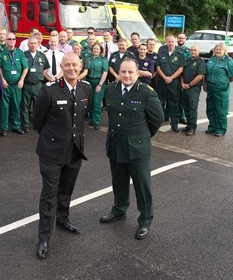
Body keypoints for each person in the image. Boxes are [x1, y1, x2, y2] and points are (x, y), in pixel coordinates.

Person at [33, 52, 92, 259]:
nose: (71, 68)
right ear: (61, 67)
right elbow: (37, 121)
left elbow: (80, 118)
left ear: (80, 66)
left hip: (75, 151)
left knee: (66, 189)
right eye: (67, 65)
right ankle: (44, 238)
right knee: (49, 195)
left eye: (74, 65)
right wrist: (53, 138)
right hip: (51, 153)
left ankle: (63, 219)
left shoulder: (86, 88)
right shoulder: (49, 91)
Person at [100, 58, 163, 240]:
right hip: (115, 145)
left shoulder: (146, 93)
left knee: (142, 187)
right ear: (118, 73)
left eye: (130, 72)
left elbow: (157, 119)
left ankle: (145, 220)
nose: (126, 75)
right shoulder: (111, 90)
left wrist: (142, 136)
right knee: (118, 181)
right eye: (123, 72)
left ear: (138, 73)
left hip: (137, 149)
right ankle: (119, 209)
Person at [0, 32, 29, 137]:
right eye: (9, 39)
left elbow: (26, 67)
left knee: (16, 106)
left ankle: (16, 126)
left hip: (16, 85)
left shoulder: (20, 53)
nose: (11, 41)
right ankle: (4, 128)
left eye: (13, 39)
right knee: (4, 107)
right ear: (5, 41)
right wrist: (2, 80)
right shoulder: (1, 54)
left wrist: (22, 80)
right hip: (6, 85)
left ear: (15, 40)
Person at [203, 43, 233, 137]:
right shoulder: (211, 59)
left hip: (221, 89)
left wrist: (224, 82)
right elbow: (206, 74)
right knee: (210, 108)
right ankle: (212, 127)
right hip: (210, 88)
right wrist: (205, 83)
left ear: (224, 51)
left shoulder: (228, 61)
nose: (218, 51)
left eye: (220, 50)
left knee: (221, 109)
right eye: (216, 49)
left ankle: (221, 129)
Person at [21, 36, 51, 133]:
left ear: (38, 44)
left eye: (35, 43)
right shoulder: (23, 55)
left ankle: (37, 123)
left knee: (38, 106)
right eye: (31, 43)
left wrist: (40, 74)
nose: (33, 45)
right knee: (25, 106)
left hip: (38, 84)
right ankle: (25, 125)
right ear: (28, 44)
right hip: (27, 84)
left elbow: (46, 67)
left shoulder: (42, 56)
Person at [156, 35, 186, 132]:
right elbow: (158, 68)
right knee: (160, 104)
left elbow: (181, 68)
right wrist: (165, 77)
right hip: (162, 83)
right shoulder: (161, 54)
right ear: (166, 42)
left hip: (174, 84)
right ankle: (157, 123)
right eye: (169, 42)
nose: (170, 43)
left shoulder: (180, 55)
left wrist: (171, 78)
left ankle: (174, 124)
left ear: (175, 42)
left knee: (173, 104)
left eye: (172, 42)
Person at [180, 45, 206, 135]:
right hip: (185, 87)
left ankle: (192, 127)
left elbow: (200, 76)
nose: (193, 51)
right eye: (191, 50)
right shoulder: (187, 60)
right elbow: (182, 74)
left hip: (193, 88)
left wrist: (189, 84)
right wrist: (182, 83)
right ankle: (188, 125)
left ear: (198, 51)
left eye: (195, 50)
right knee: (186, 107)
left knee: (192, 108)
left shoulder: (200, 62)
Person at [86, 42, 108, 130]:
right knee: (90, 102)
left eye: (97, 49)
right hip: (89, 81)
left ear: (100, 50)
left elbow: (105, 72)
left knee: (96, 103)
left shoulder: (103, 60)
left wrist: (100, 84)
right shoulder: (88, 59)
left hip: (98, 82)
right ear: (92, 50)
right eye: (94, 48)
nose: (95, 50)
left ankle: (97, 122)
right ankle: (92, 119)